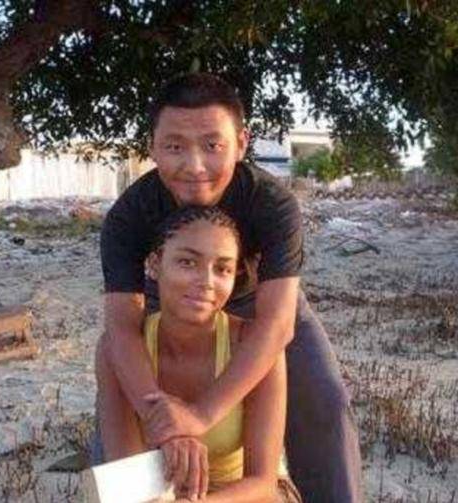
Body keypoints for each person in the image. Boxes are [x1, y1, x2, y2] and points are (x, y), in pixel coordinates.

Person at [98, 73, 362, 502]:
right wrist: (162, 421)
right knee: (115, 432)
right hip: (169, 297)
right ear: (153, 147)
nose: (194, 166)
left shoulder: (272, 204)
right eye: (174, 147)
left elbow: (277, 324)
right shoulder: (129, 216)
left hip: (264, 300)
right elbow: (122, 328)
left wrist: (201, 415)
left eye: (212, 145)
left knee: (324, 401)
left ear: (241, 143)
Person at [97, 205, 302, 502]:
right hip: (159, 494)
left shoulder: (252, 348)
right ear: (155, 264)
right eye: (187, 262)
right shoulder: (118, 350)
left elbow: (262, 483)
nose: (206, 281)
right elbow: (130, 477)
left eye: (222, 269)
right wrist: (173, 435)